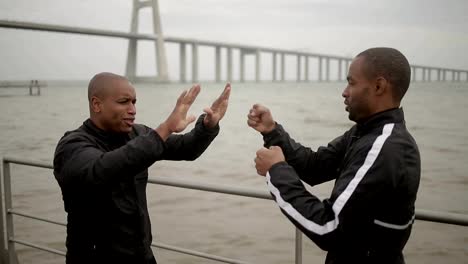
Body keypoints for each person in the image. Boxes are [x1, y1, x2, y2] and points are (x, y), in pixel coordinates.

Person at [248, 47, 420, 264]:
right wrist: (272, 132)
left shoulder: (385, 148)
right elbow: (314, 166)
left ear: (379, 86)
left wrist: (276, 172)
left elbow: (329, 227)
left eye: (352, 82)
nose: (344, 91)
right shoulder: (365, 133)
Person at [53, 72, 231, 264]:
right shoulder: (72, 146)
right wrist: (165, 128)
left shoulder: (138, 134)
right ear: (97, 105)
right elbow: (102, 169)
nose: (132, 109)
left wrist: (207, 126)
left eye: (134, 102)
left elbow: (186, 149)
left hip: (141, 255)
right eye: (124, 102)